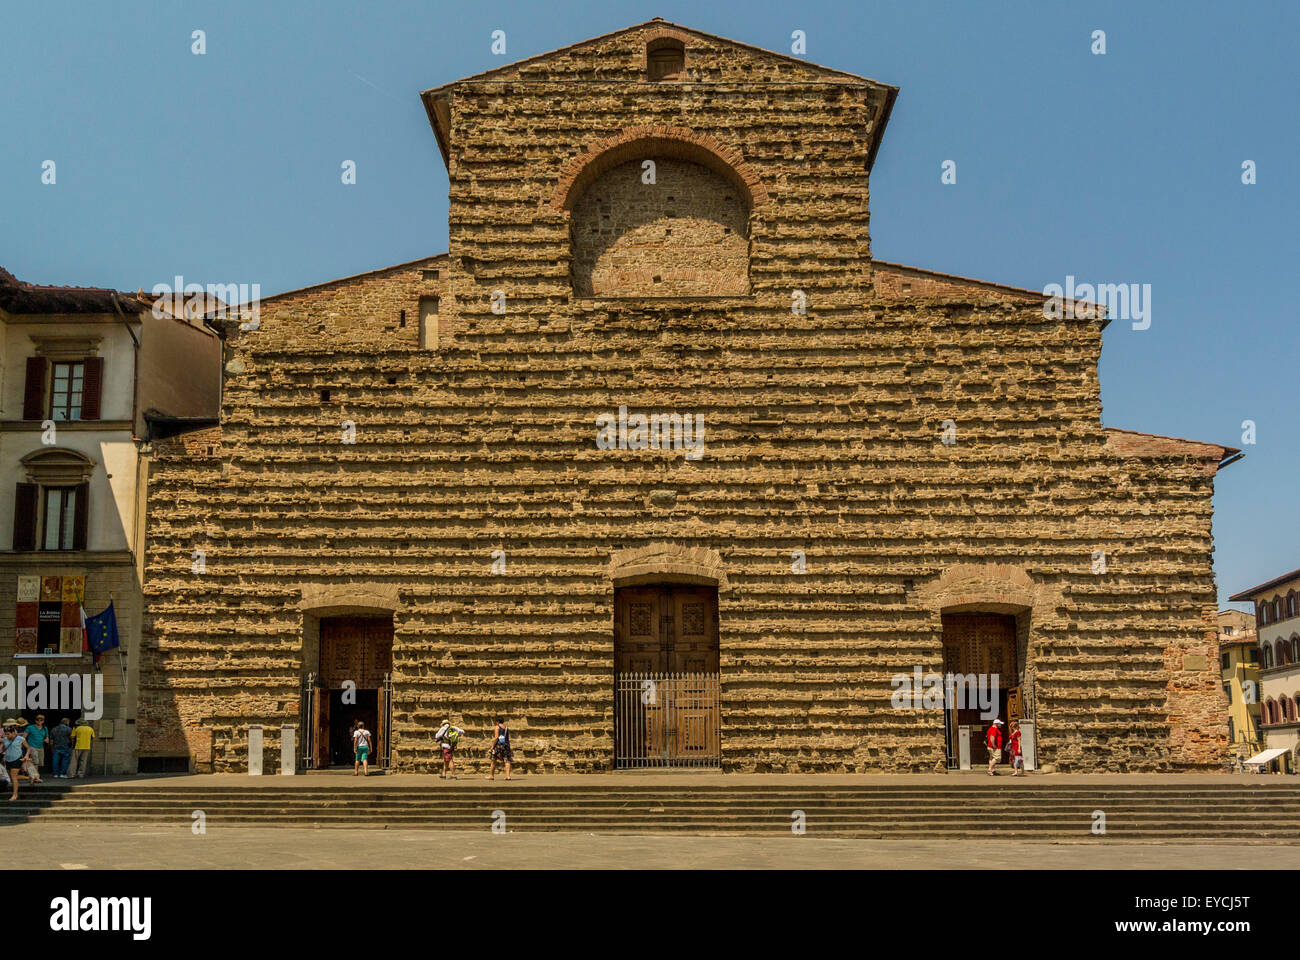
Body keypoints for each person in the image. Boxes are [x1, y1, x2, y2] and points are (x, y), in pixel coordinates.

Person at [4, 721, 31, 800]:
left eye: (8, 734)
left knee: (13, 777)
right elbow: (4, 748)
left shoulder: (20, 738)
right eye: (5, 734)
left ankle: (15, 795)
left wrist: (26, 755)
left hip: (17, 759)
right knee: (11, 777)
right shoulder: (5, 739)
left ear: (13, 733)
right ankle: (28, 778)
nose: (7, 735)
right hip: (7, 759)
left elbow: (28, 748)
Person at [24, 715, 47, 783]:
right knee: (35, 762)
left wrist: (46, 740)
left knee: (39, 763)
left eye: (41, 720)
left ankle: (33, 776)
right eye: (37, 719)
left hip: (41, 747)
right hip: (32, 746)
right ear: (35, 720)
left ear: (43, 721)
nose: (39, 721)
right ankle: (36, 777)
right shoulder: (30, 727)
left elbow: (47, 738)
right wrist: (27, 747)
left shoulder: (45, 728)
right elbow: (24, 737)